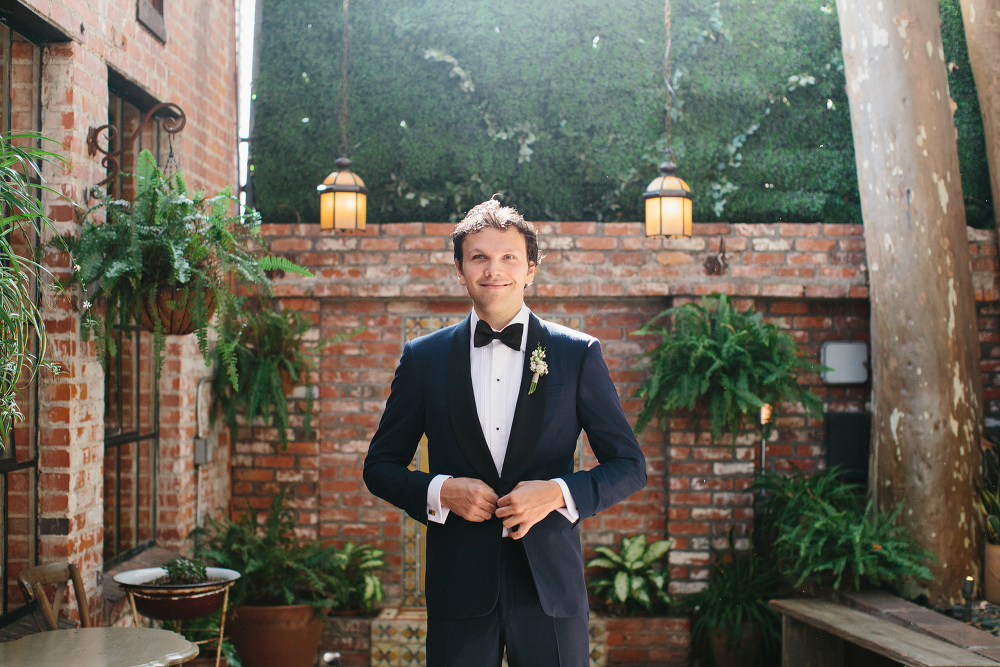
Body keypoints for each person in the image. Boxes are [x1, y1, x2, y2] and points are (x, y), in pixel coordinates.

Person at [363, 198, 646, 667]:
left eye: (509, 257)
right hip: (459, 590)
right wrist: (441, 490)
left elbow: (629, 466)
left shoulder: (577, 354)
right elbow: (379, 468)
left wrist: (556, 492)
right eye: (479, 257)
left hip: (550, 589)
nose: (494, 270)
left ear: (531, 268)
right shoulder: (423, 358)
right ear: (460, 269)